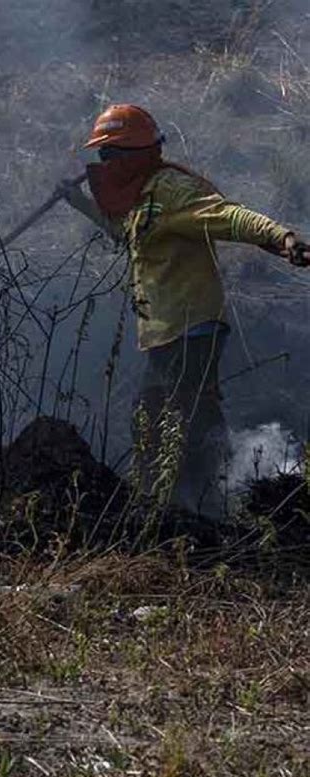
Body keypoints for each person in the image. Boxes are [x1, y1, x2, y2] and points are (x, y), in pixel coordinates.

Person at [59, 103, 309, 515]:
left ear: (131, 155)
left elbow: (228, 216)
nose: (102, 164)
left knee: (174, 416)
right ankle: (223, 495)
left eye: (108, 156)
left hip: (191, 327)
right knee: (177, 413)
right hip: (167, 331)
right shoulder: (144, 198)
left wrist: (281, 237)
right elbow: (129, 235)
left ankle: (188, 507)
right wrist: (78, 203)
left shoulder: (173, 190)